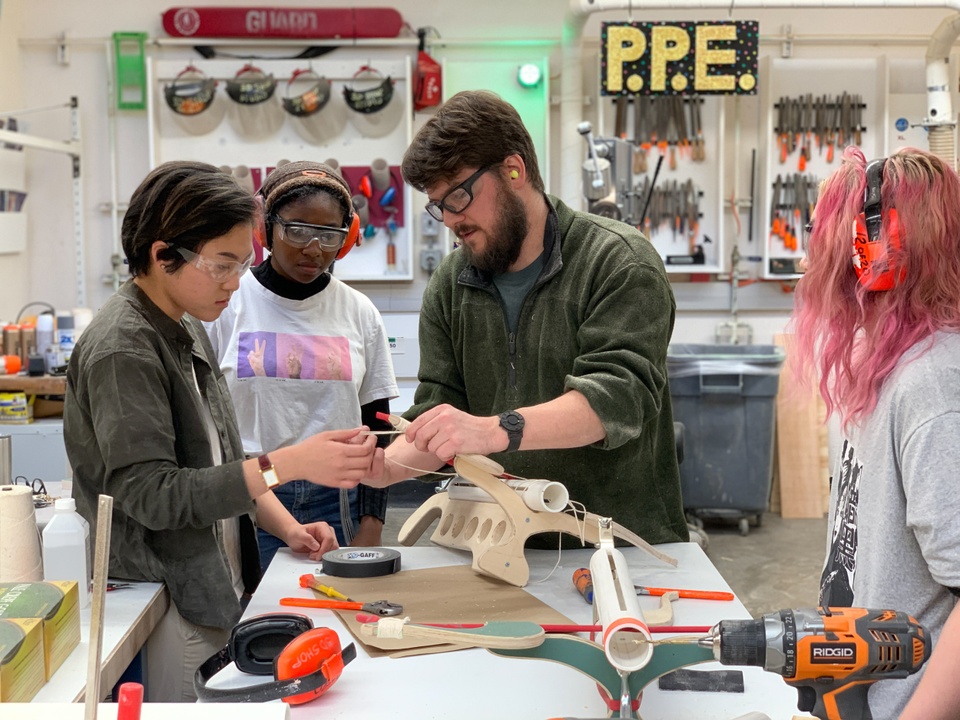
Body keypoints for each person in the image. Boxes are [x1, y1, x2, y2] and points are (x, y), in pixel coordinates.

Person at [62, 161, 380, 702]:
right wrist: (292, 464)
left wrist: (286, 526)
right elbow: (152, 496)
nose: (236, 282)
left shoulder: (185, 322)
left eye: (241, 264)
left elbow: (219, 460)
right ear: (164, 255)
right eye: (222, 265)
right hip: (167, 594)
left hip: (211, 578)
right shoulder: (124, 349)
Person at [363, 90, 688, 546]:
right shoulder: (451, 284)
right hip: (499, 544)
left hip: (618, 543)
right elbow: (438, 409)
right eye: (439, 206)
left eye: (458, 195)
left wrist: (493, 429)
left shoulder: (618, 262)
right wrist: (386, 468)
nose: (450, 220)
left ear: (513, 170)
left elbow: (615, 399)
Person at [790, 147, 960, 719]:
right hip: (858, 691)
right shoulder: (878, 363)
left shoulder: (932, 384)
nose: (821, 251)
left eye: (835, 232)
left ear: (879, 250)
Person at [206, 161, 398, 569]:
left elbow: (377, 427)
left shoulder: (359, 313)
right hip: (254, 489)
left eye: (330, 234)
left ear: (347, 239)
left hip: (338, 496)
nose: (314, 248)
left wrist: (372, 520)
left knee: (336, 614)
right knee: (256, 615)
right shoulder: (228, 305)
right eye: (297, 230)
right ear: (266, 229)